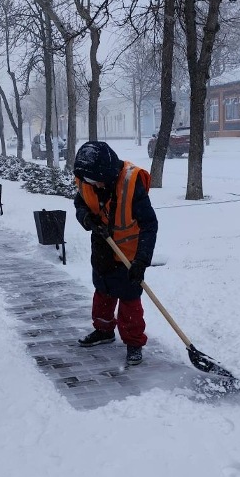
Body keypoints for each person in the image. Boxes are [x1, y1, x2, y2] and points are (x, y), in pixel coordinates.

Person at [73, 140, 158, 366]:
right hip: (102, 248)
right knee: (103, 291)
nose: (95, 185)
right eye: (90, 181)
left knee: (129, 300)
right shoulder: (87, 178)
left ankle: (133, 342)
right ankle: (103, 331)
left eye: (98, 180)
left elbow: (149, 224)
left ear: (108, 173)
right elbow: (80, 204)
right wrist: (86, 218)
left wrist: (142, 261)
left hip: (129, 256)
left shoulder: (131, 183)